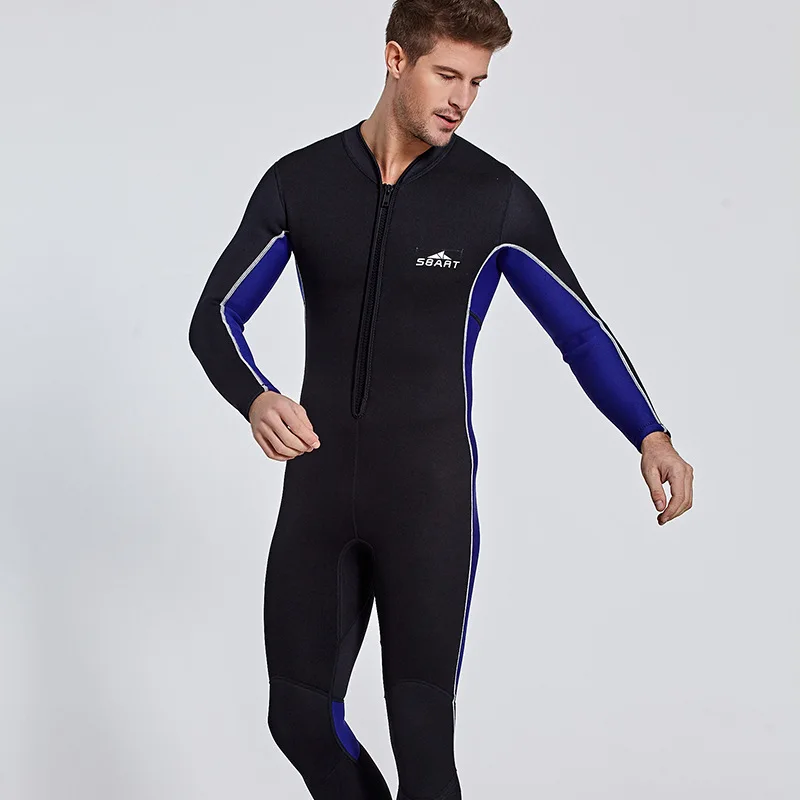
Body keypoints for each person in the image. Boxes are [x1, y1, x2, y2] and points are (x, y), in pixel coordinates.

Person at [188, 1, 695, 797]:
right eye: (448, 75)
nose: (462, 99)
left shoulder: (493, 199)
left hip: (427, 501)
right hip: (319, 493)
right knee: (299, 718)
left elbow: (580, 330)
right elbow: (215, 317)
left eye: (478, 82)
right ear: (397, 59)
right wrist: (255, 396)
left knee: (422, 743)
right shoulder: (302, 182)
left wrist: (650, 434)